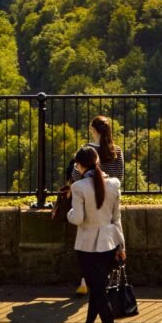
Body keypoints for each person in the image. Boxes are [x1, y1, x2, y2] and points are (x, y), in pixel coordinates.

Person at [66, 145, 125, 323]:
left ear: (80, 166)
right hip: (109, 243)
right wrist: (121, 246)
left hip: (87, 247)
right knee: (97, 289)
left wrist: (69, 213)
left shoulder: (79, 187)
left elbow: (78, 218)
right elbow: (117, 218)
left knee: (99, 293)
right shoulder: (114, 184)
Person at [71, 116, 125, 295]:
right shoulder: (117, 151)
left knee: (87, 244)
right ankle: (104, 282)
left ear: (93, 130)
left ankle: (85, 281)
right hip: (108, 201)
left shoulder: (88, 150)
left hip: (88, 201)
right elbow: (120, 176)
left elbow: (77, 175)